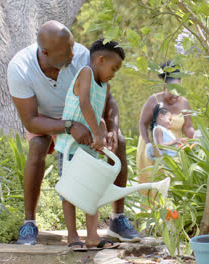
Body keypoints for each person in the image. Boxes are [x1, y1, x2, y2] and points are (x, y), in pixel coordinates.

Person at [7, 21, 140, 247]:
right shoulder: (20, 67)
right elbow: (30, 121)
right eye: (67, 50)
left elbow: (106, 100)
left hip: (83, 124)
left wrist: (111, 129)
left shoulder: (81, 56)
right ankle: (29, 223)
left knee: (119, 143)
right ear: (45, 53)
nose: (73, 52)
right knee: (38, 146)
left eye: (72, 46)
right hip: (46, 121)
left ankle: (117, 219)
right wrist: (69, 126)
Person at [54, 39, 126, 250]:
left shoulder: (105, 86)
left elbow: (99, 115)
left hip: (89, 147)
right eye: (113, 68)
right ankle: (72, 236)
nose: (113, 74)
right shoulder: (85, 72)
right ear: (100, 59)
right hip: (71, 145)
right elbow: (84, 103)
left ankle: (93, 236)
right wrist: (97, 133)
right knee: (69, 191)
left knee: (91, 191)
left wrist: (102, 134)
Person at [136, 61, 195, 194]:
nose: (175, 94)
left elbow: (187, 127)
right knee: (153, 188)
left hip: (173, 151)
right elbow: (142, 123)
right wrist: (148, 144)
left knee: (174, 188)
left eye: (178, 90)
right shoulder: (154, 100)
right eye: (171, 90)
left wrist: (195, 138)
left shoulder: (184, 103)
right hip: (152, 149)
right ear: (164, 87)